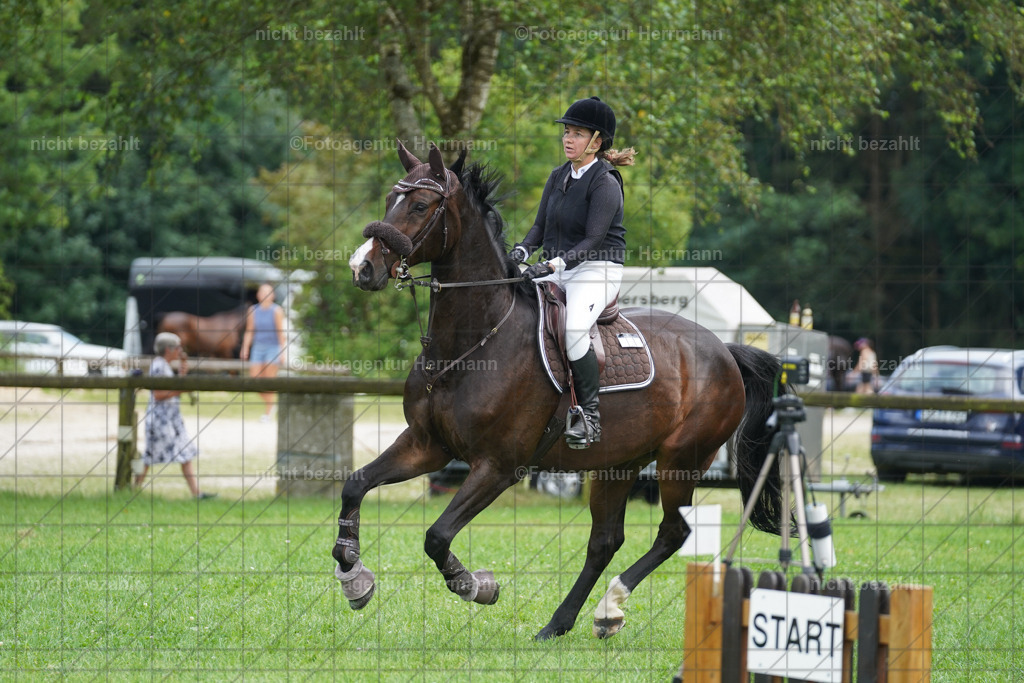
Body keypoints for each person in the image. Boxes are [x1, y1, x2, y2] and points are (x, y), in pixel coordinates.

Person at [510, 96, 636, 448]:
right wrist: (520, 251)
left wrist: (552, 264)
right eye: (566, 132)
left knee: (575, 328)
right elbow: (539, 227)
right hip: (559, 265)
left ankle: (589, 415)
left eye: (577, 134)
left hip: (598, 268)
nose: (568, 139)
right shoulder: (558, 176)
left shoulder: (605, 181)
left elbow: (594, 239)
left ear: (596, 142)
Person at [134, 332, 215, 499]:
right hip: (160, 420)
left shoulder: (163, 366)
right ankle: (133, 490)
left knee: (185, 453)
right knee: (149, 456)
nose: (180, 350)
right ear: (169, 349)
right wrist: (183, 389)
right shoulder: (158, 366)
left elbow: (170, 389)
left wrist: (181, 376)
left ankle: (197, 493)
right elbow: (158, 394)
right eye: (178, 347)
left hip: (170, 419)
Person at [240, 283, 287, 422]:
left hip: (273, 347)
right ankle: (273, 404)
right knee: (255, 378)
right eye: (263, 292)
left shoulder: (276, 311)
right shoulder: (253, 310)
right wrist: (245, 348)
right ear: (258, 295)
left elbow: (280, 333)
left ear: (273, 295)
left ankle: (267, 413)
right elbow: (250, 331)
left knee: (269, 380)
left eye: (268, 292)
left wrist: (282, 351)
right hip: (258, 347)